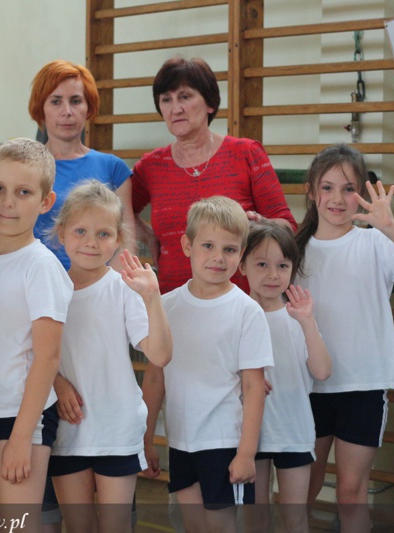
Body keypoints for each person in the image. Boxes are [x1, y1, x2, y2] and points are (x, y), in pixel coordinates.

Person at [294, 144, 394, 533]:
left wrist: (389, 226)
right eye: (327, 187)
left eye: (348, 189)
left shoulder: (374, 243)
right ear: (311, 191)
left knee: (351, 492)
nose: (337, 198)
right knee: (302, 489)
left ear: (361, 193)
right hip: (307, 386)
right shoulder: (295, 249)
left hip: (363, 387)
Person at [0, 138, 73, 532]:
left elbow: (48, 356)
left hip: (21, 417)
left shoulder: (41, 266)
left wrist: (23, 436)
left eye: (23, 192)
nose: (8, 202)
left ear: (45, 201)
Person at [47, 180, 172, 533]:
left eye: (103, 233)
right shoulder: (49, 289)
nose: (91, 242)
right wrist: (56, 383)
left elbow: (161, 354)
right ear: (62, 233)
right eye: (81, 231)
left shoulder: (123, 289)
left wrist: (152, 298)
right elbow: (30, 353)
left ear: (118, 239)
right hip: (68, 430)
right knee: (78, 526)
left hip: (117, 430)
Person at [142, 196, 273, 532]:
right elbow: (155, 379)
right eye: (208, 246)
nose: (218, 257)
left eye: (229, 249)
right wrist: (145, 437)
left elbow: (254, 387)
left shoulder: (247, 312)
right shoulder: (166, 306)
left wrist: (246, 453)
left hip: (224, 442)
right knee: (194, 526)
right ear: (187, 246)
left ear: (241, 255)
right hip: (180, 441)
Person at [131, 56, 296, 294]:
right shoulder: (151, 166)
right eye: (166, 99)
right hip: (172, 300)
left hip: (238, 299)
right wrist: (148, 236)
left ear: (210, 103)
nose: (176, 108)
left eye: (185, 96)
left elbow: (287, 226)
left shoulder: (245, 153)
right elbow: (120, 211)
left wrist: (261, 226)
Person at [239, 222, 331, 533]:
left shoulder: (298, 316)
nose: (272, 274)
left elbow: (322, 371)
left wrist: (307, 323)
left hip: (294, 431)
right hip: (249, 435)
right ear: (242, 265)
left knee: (295, 518)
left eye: (282, 265)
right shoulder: (236, 315)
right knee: (256, 519)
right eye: (261, 264)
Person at [29, 60, 135, 269]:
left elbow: (126, 246)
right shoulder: (25, 167)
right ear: (41, 108)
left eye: (76, 101)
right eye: (56, 101)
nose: (67, 111)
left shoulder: (114, 168)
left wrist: (102, 286)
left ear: (88, 108)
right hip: (34, 282)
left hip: (98, 285)